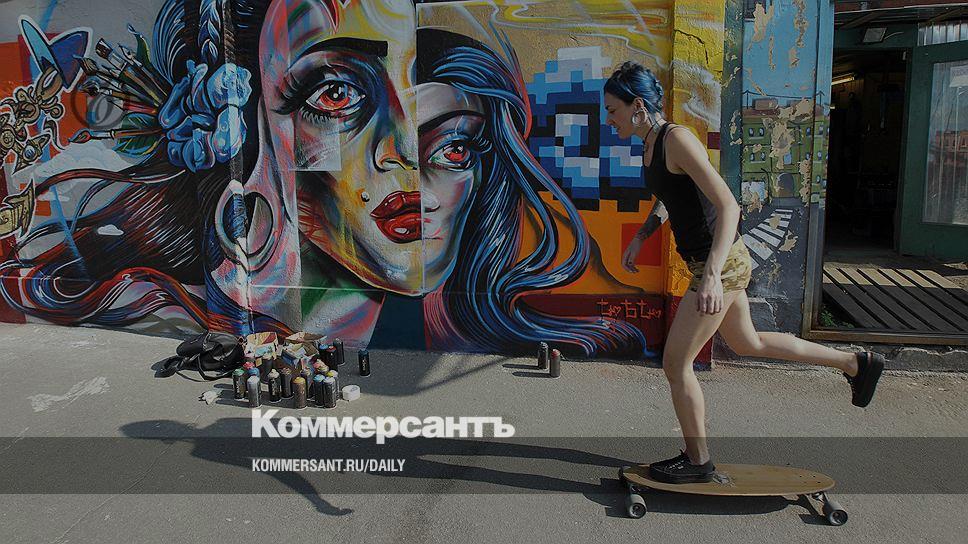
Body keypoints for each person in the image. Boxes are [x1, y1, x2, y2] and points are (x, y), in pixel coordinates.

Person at [1, 0, 647, 358]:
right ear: (253, 133)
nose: (402, 156)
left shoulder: (446, 323)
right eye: (336, 94)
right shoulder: (177, 298)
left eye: (454, 146)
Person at [605, 61, 885, 484]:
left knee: (676, 363)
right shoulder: (651, 144)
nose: (609, 119)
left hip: (719, 264)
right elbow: (671, 195)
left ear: (637, 106)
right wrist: (642, 236)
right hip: (711, 263)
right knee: (748, 342)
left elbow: (728, 205)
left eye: (613, 110)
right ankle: (855, 363)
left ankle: (697, 461)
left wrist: (712, 276)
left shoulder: (677, 139)